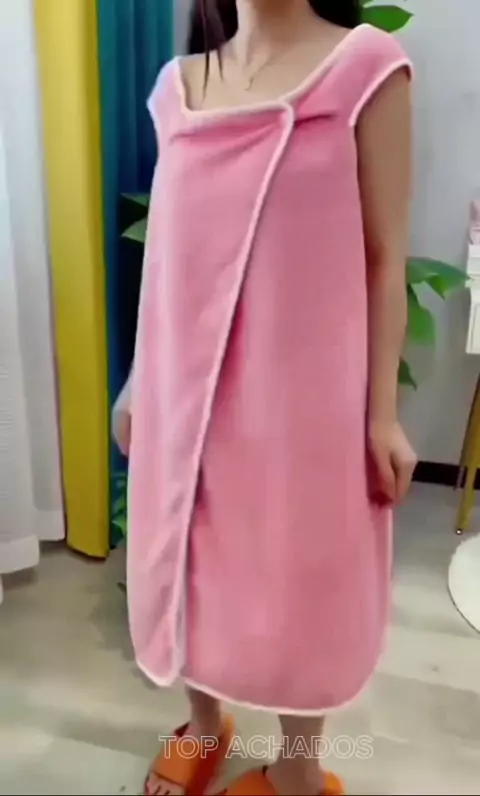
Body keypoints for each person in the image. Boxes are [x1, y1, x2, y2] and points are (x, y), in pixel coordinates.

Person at [113, 1, 417, 794]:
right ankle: (204, 724)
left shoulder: (366, 69)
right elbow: (166, 259)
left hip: (301, 397)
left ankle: (298, 770)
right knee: (186, 558)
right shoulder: (177, 87)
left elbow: (385, 258)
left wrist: (382, 415)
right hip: (184, 392)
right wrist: (140, 379)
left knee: (297, 576)